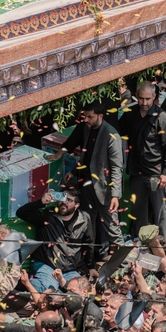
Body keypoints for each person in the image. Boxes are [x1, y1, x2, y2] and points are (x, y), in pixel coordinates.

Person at [46, 101, 124, 257]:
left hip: (104, 189)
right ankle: (90, 259)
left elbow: (117, 168)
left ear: (100, 116)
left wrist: (115, 195)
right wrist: (75, 172)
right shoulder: (87, 128)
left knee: (112, 228)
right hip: (87, 186)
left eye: (90, 117)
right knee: (88, 225)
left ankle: (124, 260)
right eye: (85, 116)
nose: (86, 120)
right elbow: (87, 156)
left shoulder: (112, 135)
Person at [119, 82, 166, 236]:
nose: (144, 102)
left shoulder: (162, 118)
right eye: (141, 98)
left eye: (148, 99)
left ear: (154, 97)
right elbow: (118, 131)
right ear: (136, 96)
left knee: (159, 211)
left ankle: (161, 241)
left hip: (156, 172)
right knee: (138, 210)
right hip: (136, 170)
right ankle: (140, 239)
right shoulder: (130, 113)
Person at [16, 189, 94, 292]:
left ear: (77, 205)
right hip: (46, 265)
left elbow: (89, 243)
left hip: (70, 269)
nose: (64, 202)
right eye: (62, 198)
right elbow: (21, 213)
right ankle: (26, 284)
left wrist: (91, 267)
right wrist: (41, 202)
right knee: (49, 291)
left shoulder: (84, 218)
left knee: (78, 292)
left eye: (69, 200)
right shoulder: (48, 215)